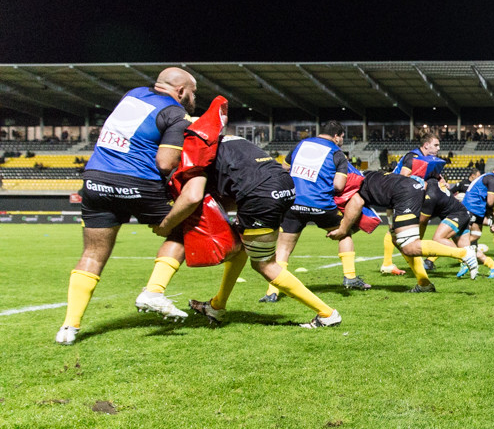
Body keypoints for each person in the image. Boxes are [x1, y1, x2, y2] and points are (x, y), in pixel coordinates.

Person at [56, 68, 198, 345]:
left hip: (96, 179)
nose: (194, 98)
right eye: (193, 93)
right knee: (184, 229)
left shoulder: (132, 95)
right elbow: (165, 163)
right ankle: (154, 292)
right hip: (138, 183)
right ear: (181, 91)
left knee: (93, 253)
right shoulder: (177, 114)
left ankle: (69, 327)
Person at [154, 131, 343, 328]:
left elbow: (202, 197)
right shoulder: (230, 139)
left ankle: (327, 314)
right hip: (283, 185)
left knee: (264, 264)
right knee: (242, 247)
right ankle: (217, 306)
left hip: (261, 195)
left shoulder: (199, 151)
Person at [260, 121, 370, 303]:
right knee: (344, 233)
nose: (342, 140)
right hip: (321, 205)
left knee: (283, 248)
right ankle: (350, 277)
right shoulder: (337, 153)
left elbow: (285, 168)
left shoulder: (301, 145)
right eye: (342, 137)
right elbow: (338, 185)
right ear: (337, 136)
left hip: (294, 204)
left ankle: (272, 292)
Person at [327, 169, 478, 292]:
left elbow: (357, 202)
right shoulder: (369, 177)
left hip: (404, 194)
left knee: (410, 245)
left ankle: (463, 253)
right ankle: (424, 283)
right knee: (396, 239)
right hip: (403, 192)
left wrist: (343, 229)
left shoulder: (353, 187)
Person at [380, 131, 441, 275]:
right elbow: (403, 177)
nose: (438, 148)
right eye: (436, 145)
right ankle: (390, 263)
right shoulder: (413, 157)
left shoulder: (427, 159)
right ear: (426, 145)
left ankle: (391, 262)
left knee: (407, 227)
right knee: (395, 229)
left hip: (406, 195)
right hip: (395, 193)